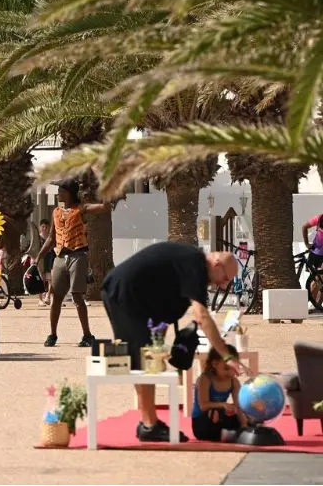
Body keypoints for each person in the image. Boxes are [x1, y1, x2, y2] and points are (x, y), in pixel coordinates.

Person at [101, 241, 242, 442]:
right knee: (142, 357)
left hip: (132, 296)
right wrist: (226, 355)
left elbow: (166, 308)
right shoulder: (196, 266)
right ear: (217, 264)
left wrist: (160, 344)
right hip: (124, 294)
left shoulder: (191, 265)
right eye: (225, 278)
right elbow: (202, 316)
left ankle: (147, 421)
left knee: (147, 356)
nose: (224, 285)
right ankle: (149, 424)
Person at [36, 180, 109, 348]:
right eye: (59, 191)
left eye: (62, 191)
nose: (59, 194)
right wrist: (39, 256)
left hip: (78, 255)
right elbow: (51, 238)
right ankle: (52, 334)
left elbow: (104, 208)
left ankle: (87, 335)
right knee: (56, 298)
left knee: (77, 297)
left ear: (69, 193)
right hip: (60, 258)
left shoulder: (81, 209)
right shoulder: (56, 212)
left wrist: (106, 189)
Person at [192, 345, 248, 442]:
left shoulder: (233, 381)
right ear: (215, 364)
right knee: (216, 411)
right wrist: (223, 405)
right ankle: (228, 434)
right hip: (203, 423)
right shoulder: (205, 379)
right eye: (226, 368)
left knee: (243, 414)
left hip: (220, 420)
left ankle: (234, 432)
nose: (230, 373)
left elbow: (239, 406)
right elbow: (203, 406)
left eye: (233, 369)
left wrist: (244, 425)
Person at [35, 219, 56, 306]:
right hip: (40, 259)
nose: (44, 228)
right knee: (41, 278)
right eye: (42, 227)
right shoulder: (37, 238)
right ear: (40, 227)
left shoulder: (51, 238)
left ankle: (48, 296)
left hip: (50, 258)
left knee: (51, 278)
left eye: (46, 227)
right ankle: (40, 299)